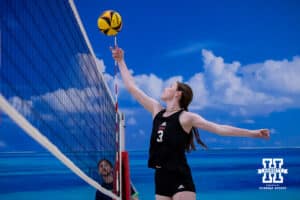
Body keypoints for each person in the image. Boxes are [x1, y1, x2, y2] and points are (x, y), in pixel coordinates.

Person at [110, 47, 270, 200]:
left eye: (170, 86)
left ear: (178, 94)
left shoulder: (186, 117)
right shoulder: (156, 110)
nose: (166, 88)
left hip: (180, 176)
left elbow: (220, 129)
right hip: (160, 178)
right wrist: (121, 61)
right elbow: (132, 88)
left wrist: (253, 133)